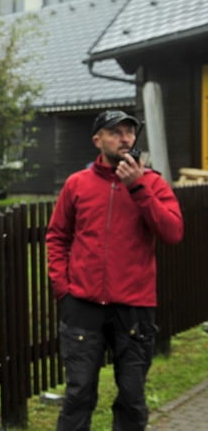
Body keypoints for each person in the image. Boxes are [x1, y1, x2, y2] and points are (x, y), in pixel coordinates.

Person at [46, 110, 183, 431]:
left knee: (132, 397)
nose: (124, 138)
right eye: (115, 132)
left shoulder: (152, 183)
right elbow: (57, 236)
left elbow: (173, 233)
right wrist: (61, 287)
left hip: (135, 308)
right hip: (83, 305)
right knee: (78, 394)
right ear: (98, 140)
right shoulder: (77, 184)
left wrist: (137, 189)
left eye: (129, 132)